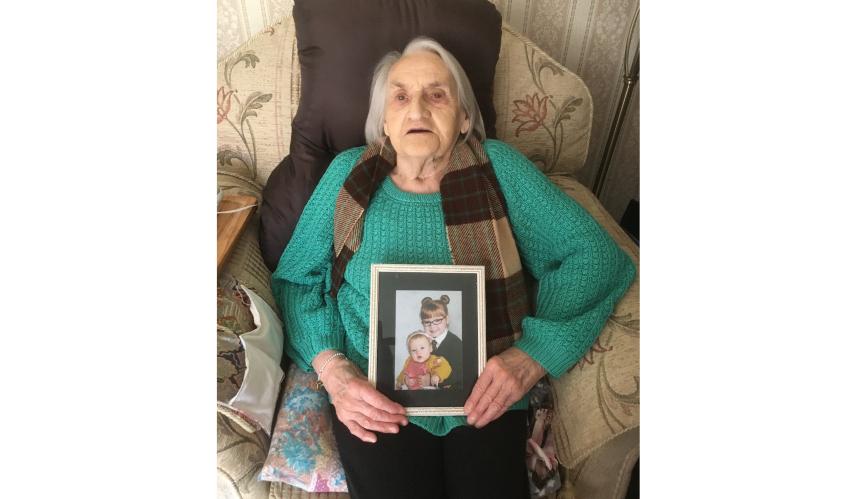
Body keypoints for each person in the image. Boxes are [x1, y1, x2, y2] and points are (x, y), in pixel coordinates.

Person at [272, 36, 635, 499]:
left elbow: (594, 257)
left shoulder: (497, 168)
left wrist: (532, 355)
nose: (417, 109)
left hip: (486, 391)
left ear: (464, 117)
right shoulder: (348, 175)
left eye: (437, 95)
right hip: (376, 392)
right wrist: (335, 372)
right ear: (384, 118)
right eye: (400, 96)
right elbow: (295, 280)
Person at [419, 295, 462, 389]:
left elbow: (459, 373)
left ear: (447, 319)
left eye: (437, 320)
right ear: (422, 323)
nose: (432, 326)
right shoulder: (423, 342)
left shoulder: (456, 344)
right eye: (427, 322)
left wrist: (435, 379)